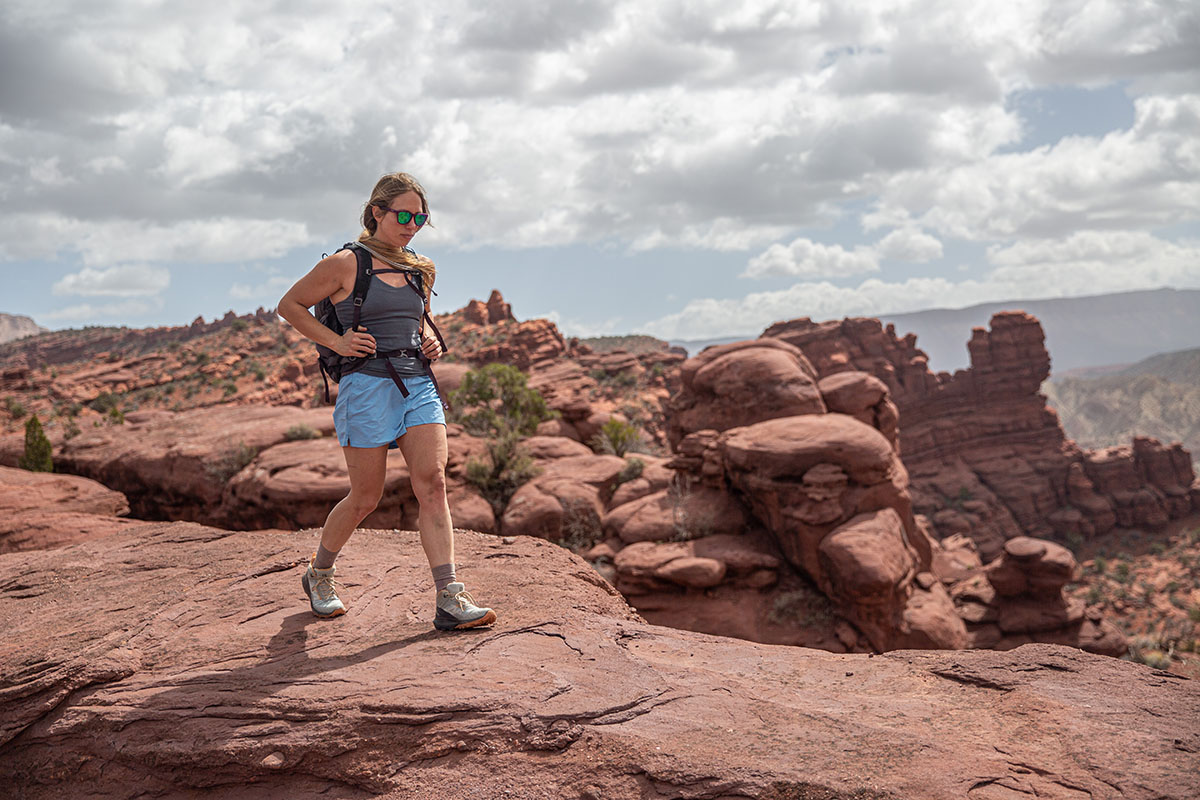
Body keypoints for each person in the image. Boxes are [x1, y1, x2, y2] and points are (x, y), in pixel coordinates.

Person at [277, 172, 496, 632]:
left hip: (417, 382)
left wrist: (432, 340)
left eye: (421, 217)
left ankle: (450, 596)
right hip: (366, 388)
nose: (412, 224)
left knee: (432, 482)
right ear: (377, 213)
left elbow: (422, 322)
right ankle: (319, 574)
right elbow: (290, 305)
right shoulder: (345, 264)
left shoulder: (421, 268)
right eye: (404, 215)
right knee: (365, 497)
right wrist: (337, 341)